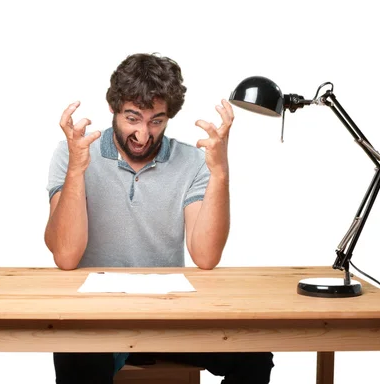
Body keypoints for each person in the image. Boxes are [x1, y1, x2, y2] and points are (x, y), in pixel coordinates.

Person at [44, 53, 274, 384]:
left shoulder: (193, 161)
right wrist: (77, 171)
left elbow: (206, 257)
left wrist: (220, 173)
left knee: (254, 354)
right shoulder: (73, 152)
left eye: (156, 121)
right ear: (113, 108)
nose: (142, 134)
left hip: (169, 317)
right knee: (76, 355)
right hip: (96, 319)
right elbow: (65, 256)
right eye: (132, 118)